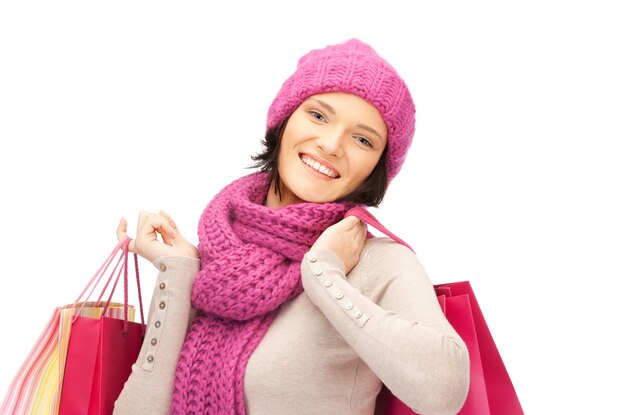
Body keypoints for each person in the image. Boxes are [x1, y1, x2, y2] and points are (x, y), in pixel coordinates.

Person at [113, 39, 470, 415]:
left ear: (378, 167)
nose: (331, 144)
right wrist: (180, 271)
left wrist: (324, 274)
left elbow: (444, 393)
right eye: (318, 115)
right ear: (284, 119)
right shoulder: (212, 264)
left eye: (363, 139)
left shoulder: (376, 263)